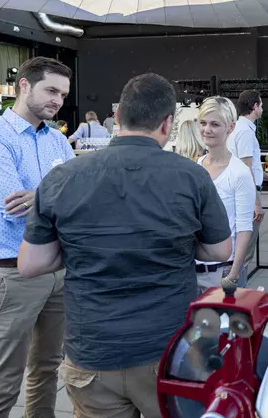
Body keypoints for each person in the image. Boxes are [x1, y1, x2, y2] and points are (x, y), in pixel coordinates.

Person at [17, 73, 232, 418]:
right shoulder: (191, 176)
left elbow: (29, 264)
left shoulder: (63, 177)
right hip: (166, 352)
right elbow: (220, 251)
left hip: (92, 353)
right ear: (167, 124)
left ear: (117, 118)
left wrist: (81, 249)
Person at [0, 57, 75, 417]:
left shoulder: (57, 140)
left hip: (57, 271)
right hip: (10, 274)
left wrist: (41, 195)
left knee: (47, 369)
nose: (58, 100)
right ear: (23, 85)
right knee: (3, 382)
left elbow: (80, 195)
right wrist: (55, 197)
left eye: (63, 94)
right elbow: (14, 204)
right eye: (51, 90)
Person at [195, 97, 255, 291]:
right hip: (192, 270)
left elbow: (244, 227)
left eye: (215, 124)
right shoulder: (196, 167)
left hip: (223, 271)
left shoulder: (239, 172)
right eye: (203, 123)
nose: (207, 129)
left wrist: (234, 273)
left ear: (230, 127)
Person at [227, 90, 268, 267]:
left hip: (242, 193)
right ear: (254, 106)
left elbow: (251, 167)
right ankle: (236, 288)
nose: (262, 109)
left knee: (241, 249)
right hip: (246, 196)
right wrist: (256, 203)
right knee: (243, 252)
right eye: (261, 104)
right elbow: (246, 169)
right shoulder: (245, 132)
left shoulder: (241, 128)